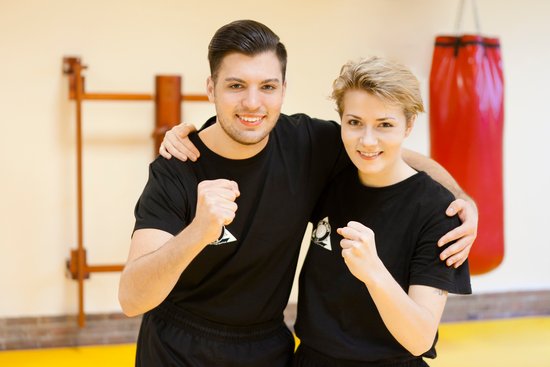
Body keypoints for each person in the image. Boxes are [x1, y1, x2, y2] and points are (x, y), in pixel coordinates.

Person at [120, 20, 476, 367]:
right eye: (236, 85)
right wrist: (197, 232)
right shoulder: (178, 166)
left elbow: (380, 151)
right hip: (178, 349)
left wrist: (464, 201)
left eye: (268, 86)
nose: (252, 102)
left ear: (284, 90)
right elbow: (132, 299)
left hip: (267, 348)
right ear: (211, 89)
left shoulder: (307, 144)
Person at [292, 57, 471, 366]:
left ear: (409, 125)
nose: (367, 140)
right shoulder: (328, 178)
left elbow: (420, 339)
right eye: (355, 122)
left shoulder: (438, 212)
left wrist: (373, 272)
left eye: (385, 125)